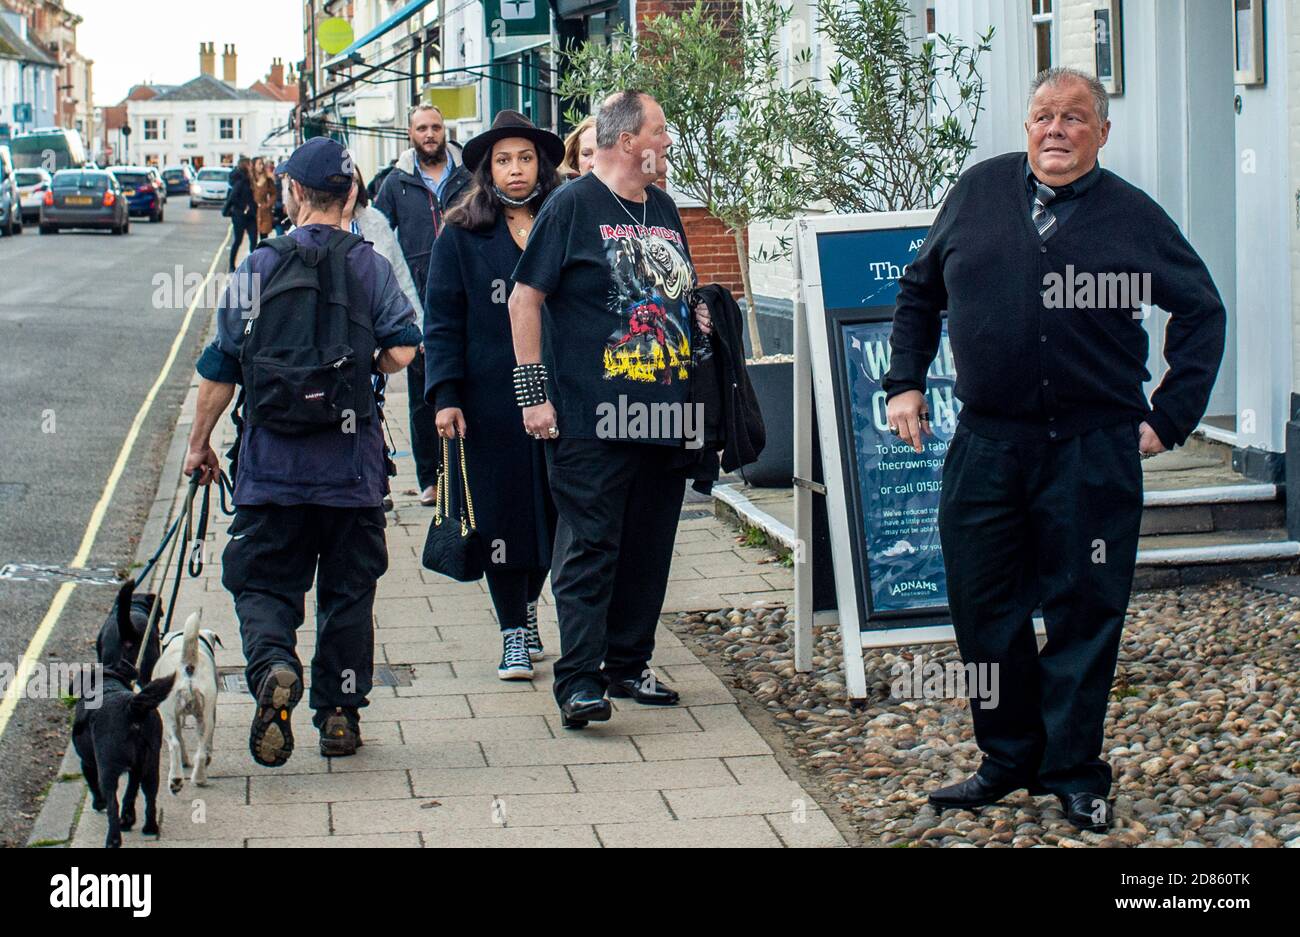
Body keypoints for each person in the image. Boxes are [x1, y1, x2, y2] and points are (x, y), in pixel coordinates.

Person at [882, 67, 1226, 833]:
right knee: (982, 607)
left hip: (1091, 451)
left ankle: (1073, 769)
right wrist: (902, 381)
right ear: (1026, 125)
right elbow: (919, 290)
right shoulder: (977, 193)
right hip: (988, 444)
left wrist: (1170, 417)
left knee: (1083, 610)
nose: (1057, 130)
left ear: (1102, 132)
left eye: (1075, 117)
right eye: (1044, 116)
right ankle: (1007, 758)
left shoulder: (1133, 218)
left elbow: (1201, 311)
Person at [185, 137, 421, 765]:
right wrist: (363, 365)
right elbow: (403, 348)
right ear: (351, 196)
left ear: (291, 195)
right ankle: (339, 715)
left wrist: (198, 444)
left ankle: (271, 667)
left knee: (262, 581)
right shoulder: (370, 265)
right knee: (349, 592)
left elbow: (220, 368)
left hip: (272, 469)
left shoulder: (258, 268)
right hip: (351, 471)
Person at [509, 90, 713, 728]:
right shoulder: (572, 205)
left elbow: (675, 290)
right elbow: (523, 299)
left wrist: (700, 312)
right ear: (628, 142)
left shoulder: (663, 208)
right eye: (661, 130)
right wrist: (532, 394)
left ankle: (628, 663)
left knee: (649, 548)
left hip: (665, 413)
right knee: (590, 544)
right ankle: (578, 680)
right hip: (591, 414)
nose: (670, 141)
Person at [424, 111, 564, 681]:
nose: (515, 170)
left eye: (525, 158)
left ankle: (530, 606)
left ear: (541, 165)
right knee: (504, 516)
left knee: (553, 515)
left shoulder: (564, 220)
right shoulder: (462, 233)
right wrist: (445, 396)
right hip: (489, 401)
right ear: (488, 169)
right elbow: (441, 321)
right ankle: (512, 631)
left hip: (559, 395)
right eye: (503, 160)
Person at [375, 104, 473, 507]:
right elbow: (378, 237)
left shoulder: (468, 176)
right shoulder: (396, 183)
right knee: (423, 396)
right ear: (410, 134)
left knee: (466, 384)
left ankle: (465, 473)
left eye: (435, 126)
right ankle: (431, 479)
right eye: (422, 128)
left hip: (466, 294)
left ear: (444, 130)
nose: (430, 134)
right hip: (417, 304)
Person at [225, 157, 259, 271]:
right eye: (250, 164)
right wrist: (244, 206)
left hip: (250, 215)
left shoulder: (250, 179)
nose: (251, 166)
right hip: (239, 215)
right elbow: (233, 197)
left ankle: (252, 266)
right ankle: (231, 265)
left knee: (253, 240)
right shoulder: (240, 181)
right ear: (246, 166)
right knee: (238, 241)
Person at [253, 157, 276, 239]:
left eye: (262, 164)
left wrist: (268, 205)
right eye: (259, 164)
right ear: (254, 165)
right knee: (252, 237)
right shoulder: (250, 179)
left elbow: (273, 193)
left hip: (264, 211)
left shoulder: (267, 179)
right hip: (252, 211)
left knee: (264, 235)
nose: (261, 166)